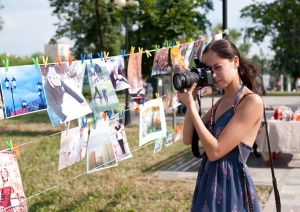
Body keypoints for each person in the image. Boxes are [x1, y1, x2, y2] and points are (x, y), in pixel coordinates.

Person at [177, 39, 263, 211]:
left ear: (235, 62)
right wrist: (191, 99)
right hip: (208, 180)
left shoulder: (251, 101)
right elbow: (188, 138)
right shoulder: (223, 101)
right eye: (209, 70)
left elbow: (215, 151)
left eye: (218, 67)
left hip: (231, 185)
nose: (213, 75)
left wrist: (192, 107)